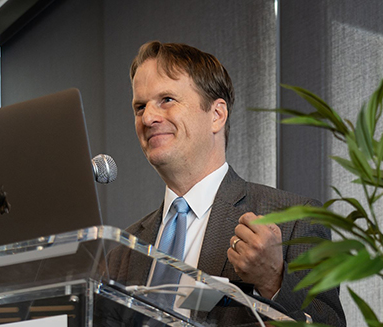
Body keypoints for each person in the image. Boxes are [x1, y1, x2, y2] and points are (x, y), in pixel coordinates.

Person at [107, 41, 345, 326]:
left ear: (217, 115)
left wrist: (273, 281)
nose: (148, 117)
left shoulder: (295, 220)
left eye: (167, 100)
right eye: (140, 106)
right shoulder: (123, 251)